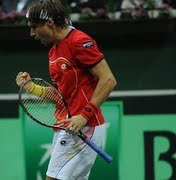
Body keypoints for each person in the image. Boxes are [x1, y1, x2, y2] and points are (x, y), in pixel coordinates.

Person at [15, 0, 117, 179]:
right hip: (66, 126)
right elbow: (60, 96)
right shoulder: (53, 51)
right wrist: (32, 88)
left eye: (34, 27)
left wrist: (85, 115)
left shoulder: (80, 41)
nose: (31, 33)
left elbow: (108, 80)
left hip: (84, 126)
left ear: (50, 23)